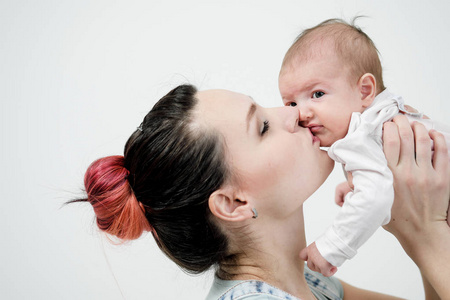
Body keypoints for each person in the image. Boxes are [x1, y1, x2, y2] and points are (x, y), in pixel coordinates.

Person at [70, 84, 450, 299]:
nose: (293, 113)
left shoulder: (309, 284)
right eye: (263, 127)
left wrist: (415, 212)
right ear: (234, 203)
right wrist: (427, 233)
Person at [278, 18, 450, 277]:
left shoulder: (358, 134)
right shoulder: (382, 116)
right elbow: (386, 175)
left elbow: (375, 197)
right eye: (291, 104)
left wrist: (331, 246)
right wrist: (358, 183)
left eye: (317, 94)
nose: (301, 113)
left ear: (365, 91)